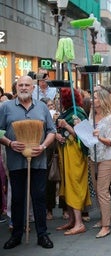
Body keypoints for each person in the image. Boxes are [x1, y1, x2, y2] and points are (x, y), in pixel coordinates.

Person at [0, 75, 56, 249]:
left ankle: (42, 234)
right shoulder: (6, 107)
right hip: (16, 162)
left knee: (39, 197)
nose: (24, 88)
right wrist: (9, 143)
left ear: (33, 88)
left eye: (27, 85)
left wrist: (44, 146)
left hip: (38, 161)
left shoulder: (42, 107)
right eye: (21, 85)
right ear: (17, 88)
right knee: (17, 198)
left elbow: (51, 131)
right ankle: (16, 235)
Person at [55, 88, 91, 236]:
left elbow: (85, 136)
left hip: (75, 154)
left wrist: (67, 126)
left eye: (60, 98)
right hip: (67, 151)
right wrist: (59, 134)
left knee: (74, 184)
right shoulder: (69, 112)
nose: (58, 101)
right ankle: (71, 220)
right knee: (67, 184)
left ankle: (79, 223)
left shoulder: (79, 112)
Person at [89, 88, 111, 239]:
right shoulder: (91, 115)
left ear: (102, 100)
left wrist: (99, 137)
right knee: (97, 190)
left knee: (102, 191)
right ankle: (103, 218)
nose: (91, 100)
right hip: (94, 156)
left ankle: (106, 225)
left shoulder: (109, 119)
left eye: (94, 98)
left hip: (108, 156)